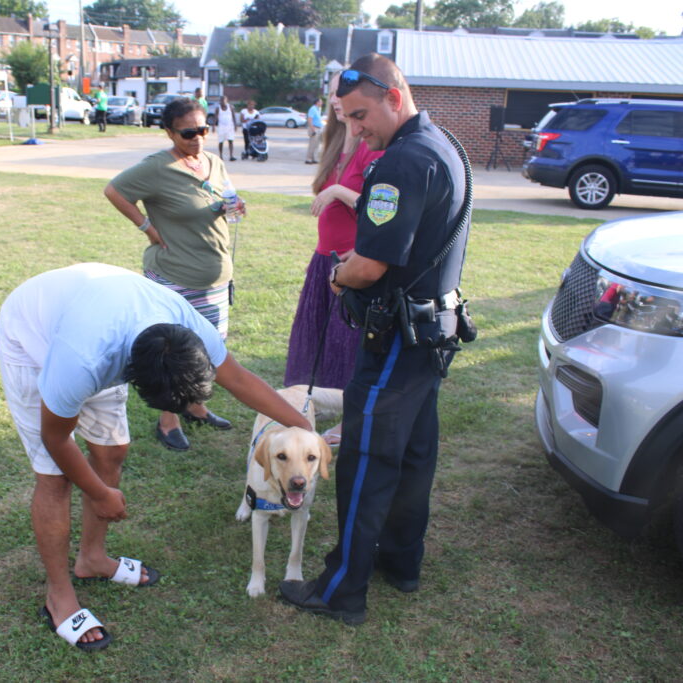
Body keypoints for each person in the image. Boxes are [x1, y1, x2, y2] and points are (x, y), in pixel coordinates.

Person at [0, 262, 313, 651]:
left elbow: (241, 379)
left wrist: (307, 432)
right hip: (33, 335)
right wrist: (98, 493)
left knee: (112, 451)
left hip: (98, 310)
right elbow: (56, 438)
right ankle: (59, 597)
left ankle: (92, 559)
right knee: (55, 477)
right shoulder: (81, 363)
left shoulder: (190, 329)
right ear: (132, 373)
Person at [279, 53, 470, 625]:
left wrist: (339, 275)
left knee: (364, 461)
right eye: (346, 117)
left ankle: (342, 590)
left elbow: (369, 266)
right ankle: (401, 562)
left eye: (360, 116)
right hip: (433, 333)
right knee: (414, 456)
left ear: (393, 94)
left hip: (396, 338)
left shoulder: (401, 163)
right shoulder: (447, 147)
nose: (355, 130)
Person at [103, 97, 244, 452]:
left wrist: (235, 206)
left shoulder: (212, 161)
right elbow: (114, 191)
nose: (197, 137)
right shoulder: (156, 168)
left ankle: (197, 406)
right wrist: (147, 226)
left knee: (211, 347)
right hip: (175, 276)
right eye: (187, 133)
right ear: (169, 132)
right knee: (175, 353)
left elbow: (224, 197)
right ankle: (169, 421)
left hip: (215, 276)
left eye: (202, 130)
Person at [283, 72, 383, 443]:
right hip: (322, 259)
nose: (337, 98)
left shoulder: (373, 147)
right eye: (333, 92)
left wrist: (340, 190)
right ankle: (304, 406)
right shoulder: (334, 142)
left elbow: (378, 211)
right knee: (314, 341)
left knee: (347, 345)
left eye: (344, 92)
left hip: (351, 263)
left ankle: (349, 420)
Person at [213, 95, 237, 162]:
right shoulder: (218, 108)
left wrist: (235, 125)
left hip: (230, 127)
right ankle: (220, 155)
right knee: (221, 141)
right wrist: (213, 126)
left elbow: (234, 116)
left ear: (226, 101)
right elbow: (215, 117)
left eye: (224, 100)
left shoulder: (231, 107)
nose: (222, 102)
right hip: (221, 127)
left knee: (231, 141)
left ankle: (231, 156)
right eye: (221, 100)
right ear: (220, 101)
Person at [305, 95, 325, 164]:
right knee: (312, 144)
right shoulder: (312, 109)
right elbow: (310, 119)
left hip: (319, 128)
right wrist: (313, 129)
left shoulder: (318, 109)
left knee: (317, 145)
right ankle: (308, 159)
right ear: (317, 102)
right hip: (314, 128)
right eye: (321, 102)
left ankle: (314, 158)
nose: (322, 103)